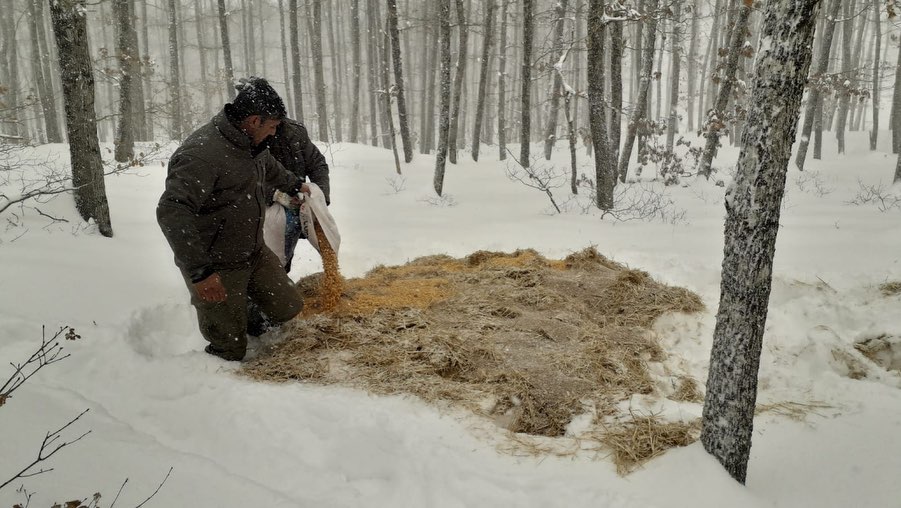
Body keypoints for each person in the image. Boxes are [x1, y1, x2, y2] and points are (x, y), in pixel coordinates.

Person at [157, 77, 308, 361]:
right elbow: (172, 211)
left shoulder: (252, 144)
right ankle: (226, 328)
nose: (275, 132)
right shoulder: (201, 155)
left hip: (253, 250)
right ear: (254, 121)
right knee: (230, 350)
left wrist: (295, 184)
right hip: (216, 263)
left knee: (289, 307)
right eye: (272, 126)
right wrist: (201, 273)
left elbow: (268, 166)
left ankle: (245, 310)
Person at [263, 118, 330, 273]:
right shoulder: (248, 136)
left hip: (297, 202)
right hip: (261, 207)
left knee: (284, 255)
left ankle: (281, 276)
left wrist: (320, 197)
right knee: (267, 259)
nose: (273, 130)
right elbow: (245, 176)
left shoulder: (295, 132)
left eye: (276, 124)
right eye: (270, 125)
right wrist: (275, 194)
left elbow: (317, 164)